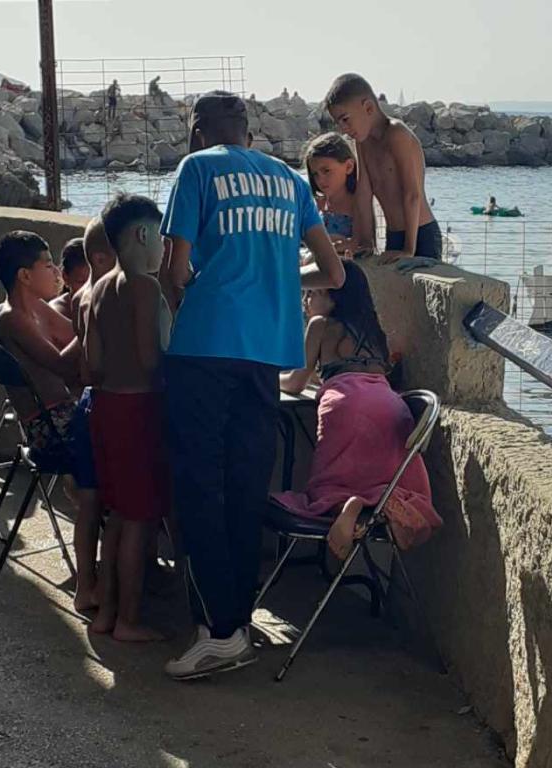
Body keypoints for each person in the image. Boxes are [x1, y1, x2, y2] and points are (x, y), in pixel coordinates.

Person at [160, 90, 344, 680]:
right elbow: (334, 271)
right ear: (248, 132)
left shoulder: (196, 168)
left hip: (204, 347)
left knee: (198, 486)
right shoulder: (289, 180)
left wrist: (191, 302)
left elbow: (174, 269)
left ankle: (218, 631)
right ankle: (237, 620)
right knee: (245, 487)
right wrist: (279, 279)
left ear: (198, 132)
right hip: (266, 354)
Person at [275, 261, 442, 559]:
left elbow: (296, 382)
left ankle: (344, 504)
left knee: (329, 483)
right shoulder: (375, 331)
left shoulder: (320, 326)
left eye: (313, 293)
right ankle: (366, 507)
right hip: (390, 408)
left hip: (345, 407)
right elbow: (355, 370)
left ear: (334, 297)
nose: (305, 301)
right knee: (377, 480)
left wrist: (270, 376)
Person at [85, 194, 171, 642]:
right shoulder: (145, 287)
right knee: (140, 518)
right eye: (160, 236)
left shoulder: (98, 288)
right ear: (141, 234)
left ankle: (105, 612)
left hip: (105, 406)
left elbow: (92, 363)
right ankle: (129, 621)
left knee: (117, 514)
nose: (164, 246)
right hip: (140, 410)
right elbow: (148, 356)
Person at [325, 73, 442, 262]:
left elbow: (412, 194)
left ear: (368, 108)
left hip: (420, 234)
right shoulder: (362, 142)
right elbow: (364, 192)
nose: (343, 129)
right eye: (338, 123)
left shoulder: (397, 134)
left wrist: (408, 249)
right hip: (393, 234)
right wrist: (362, 241)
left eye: (345, 119)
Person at [0, 232, 80, 454]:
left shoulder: (36, 307)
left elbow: (74, 333)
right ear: (25, 275)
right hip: (50, 429)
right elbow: (62, 366)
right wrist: (96, 323)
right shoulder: (11, 319)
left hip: (64, 414)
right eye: (49, 266)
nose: (57, 273)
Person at [68, 217, 116, 612]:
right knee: (118, 505)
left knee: (88, 504)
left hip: (86, 405)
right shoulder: (109, 293)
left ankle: (85, 585)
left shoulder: (79, 296)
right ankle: (116, 586)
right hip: (111, 404)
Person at [304, 132, 360, 252]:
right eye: (315, 174)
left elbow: (362, 243)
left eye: (326, 171)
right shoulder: (317, 204)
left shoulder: (357, 204)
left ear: (349, 166)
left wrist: (333, 243)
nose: (320, 180)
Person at [50, 238, 90, 322]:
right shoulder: (57, 312)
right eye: (81, 282)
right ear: (65, 277)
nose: (88, 289)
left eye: (93, 281)